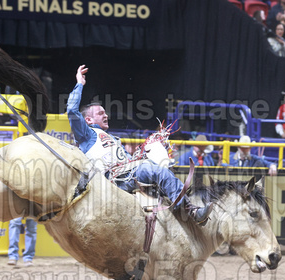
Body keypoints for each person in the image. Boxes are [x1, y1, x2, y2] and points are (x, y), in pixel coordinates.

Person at [67, 65, 213, 224]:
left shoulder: (113, 139)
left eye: (105, 112)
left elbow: (127, 159)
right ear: (88, 120)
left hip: (125, 173)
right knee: (158, 172)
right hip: (114, 178)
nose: (106, 115)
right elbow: (72, 111)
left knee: (160, 167)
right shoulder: (87, 134)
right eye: (101, 113)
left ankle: (174, 206)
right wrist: (79, 84)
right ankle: (190, 212)